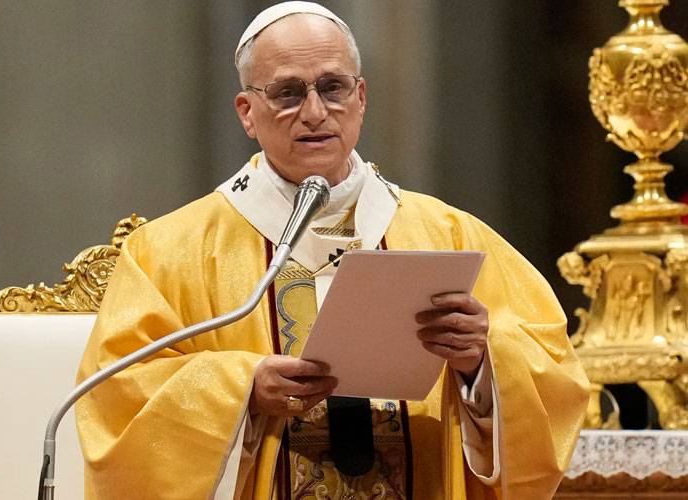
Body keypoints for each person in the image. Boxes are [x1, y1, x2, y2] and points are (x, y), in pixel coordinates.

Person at [76, 3, 589, 499]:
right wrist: (242, 389)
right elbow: (116, 402)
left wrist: (483, 360)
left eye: (333, 87)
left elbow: (555, 375)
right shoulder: (170, 253)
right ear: (247, 113)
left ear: (361, 97)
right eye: (287, 93)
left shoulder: (450, 234)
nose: (315, 112)